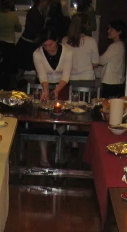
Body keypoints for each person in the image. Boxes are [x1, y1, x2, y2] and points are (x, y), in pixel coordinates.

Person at [33, 25, 72, 166]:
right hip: (44, 86)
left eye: (50, 44)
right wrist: (46, 90)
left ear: (57, 40)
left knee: (61, 120)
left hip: (62, 86)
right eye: (45, 45)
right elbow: (42, 75)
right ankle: (44, 156)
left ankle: (59, 150)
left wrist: (56, 91)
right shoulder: (37, 54)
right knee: (42, 122)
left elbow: (66, 76)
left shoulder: (68, 52)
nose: (47, 48)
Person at [64, 14, 98, 90]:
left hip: (70, 77)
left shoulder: (64, 41)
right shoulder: (91, 41)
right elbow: (95, 62)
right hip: (87, 78)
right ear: (85, 25)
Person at [0, 0, 22, 90]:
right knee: (10, 70)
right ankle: (9, 87)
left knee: (0, 68)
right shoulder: (13, 16)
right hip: (9, 44)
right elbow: (19, 29)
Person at [16, 0, 48, 73]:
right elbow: (30, 26)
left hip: (30, 42)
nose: (47, 4)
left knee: (26, 65)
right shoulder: (34, 12)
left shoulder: (39, 12)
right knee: (23, 65)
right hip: (27, 43)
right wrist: (36, 36)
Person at [99, 20, 126, 99]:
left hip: (110, 83)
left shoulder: (115, 46)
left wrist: (93, 56)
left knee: (107, 106)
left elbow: (101, 60)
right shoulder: (121, 45)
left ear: (119, 32)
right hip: (117, 82)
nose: (108, 31)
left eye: (111, 29)